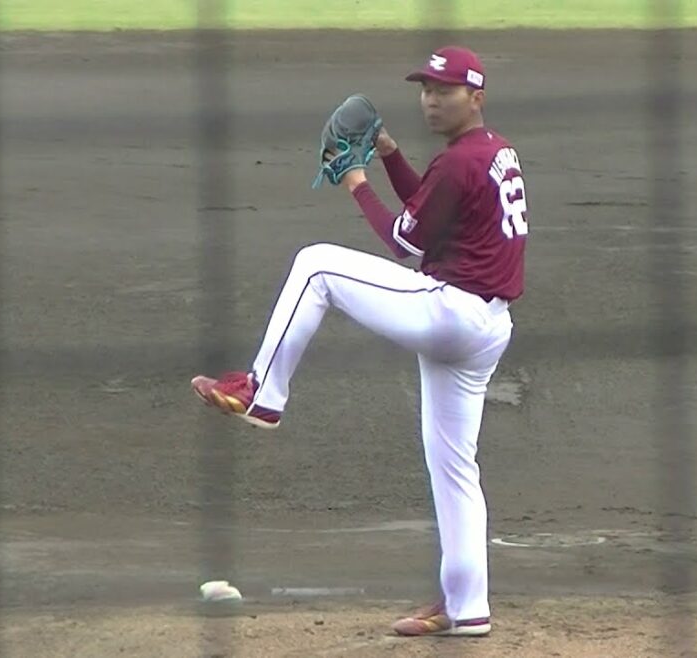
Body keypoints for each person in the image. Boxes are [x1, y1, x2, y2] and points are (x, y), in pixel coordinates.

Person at [190, 45, 529, 637]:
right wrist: (390, 153)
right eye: (425, 90)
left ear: (475, 97)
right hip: (486, 331)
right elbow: (429, 211)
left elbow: (405, 241)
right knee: (454, 469)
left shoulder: (459, 163)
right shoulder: (492, 151)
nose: (430, 100)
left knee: (317, 266)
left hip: (450, 312)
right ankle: (467, 606)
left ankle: (263, 393)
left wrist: (356, 181)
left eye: (444, 91)